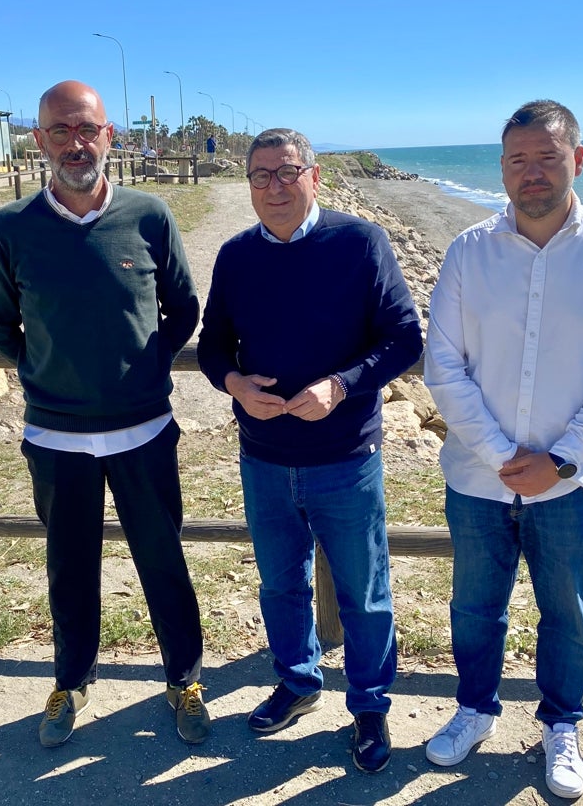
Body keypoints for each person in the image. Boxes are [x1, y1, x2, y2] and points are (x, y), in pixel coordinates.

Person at [422, 100, 583, 799]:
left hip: (572, 483)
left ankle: (561, 724)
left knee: (568, 615)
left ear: (576, 160)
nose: (531, 173)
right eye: (517, 160)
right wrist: (498, 453)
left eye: (546, 157)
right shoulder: (469, 250)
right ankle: (475, 710)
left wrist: (559, 459)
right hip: (477, 477)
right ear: (501, 169)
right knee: (473, 608)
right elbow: (444, 364)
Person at [0, 80, 209, 749]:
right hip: (56, 436)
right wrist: (52, 376)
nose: (75, 144)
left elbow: (184, 309)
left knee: (163, 560)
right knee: (69, 565)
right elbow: (0, 325)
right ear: (40, 141)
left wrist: (142, 367)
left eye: (88, 129)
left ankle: (185, 680)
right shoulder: (12, 227)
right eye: (60, 131)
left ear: (111, 135)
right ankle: (70, 681)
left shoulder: (149, 214)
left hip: (144, 430)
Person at [197, 128, 423, 773]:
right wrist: (235, 383)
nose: (274, 186)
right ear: (248, 184)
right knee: (281, 585)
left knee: (364, 591)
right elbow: (214, 346)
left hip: (346, 456)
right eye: (261, 175)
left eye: (287, 172)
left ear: (313, 176)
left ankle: (371, 704)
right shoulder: (238, 255)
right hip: (263, 456)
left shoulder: (358, 243)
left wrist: (343, 384)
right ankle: (297, 682)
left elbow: (404, 337)